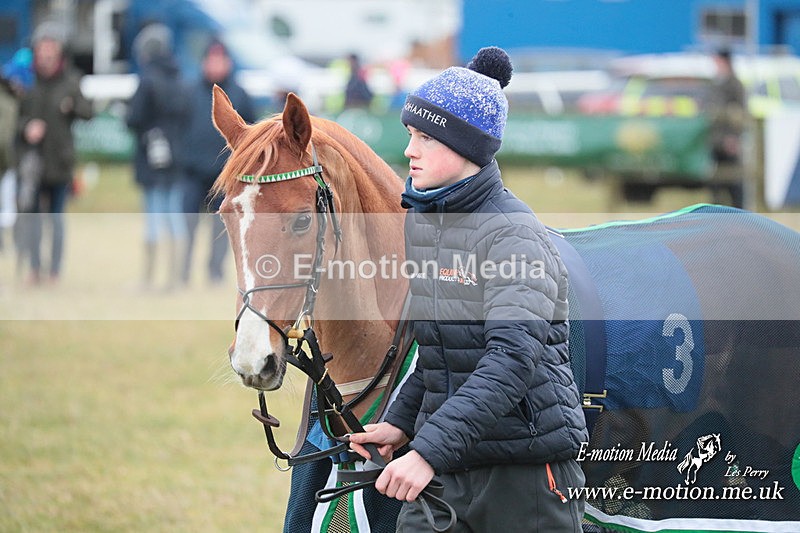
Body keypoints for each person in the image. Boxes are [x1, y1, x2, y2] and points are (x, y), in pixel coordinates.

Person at [349, 47, 588, 532]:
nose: (410, 151)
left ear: (467, 148)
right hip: (448, 461)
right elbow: (440, 349)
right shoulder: (423, 222)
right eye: (410, 135)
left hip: (524, 472)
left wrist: (426, 453)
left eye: (425, 137)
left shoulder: (513, 234)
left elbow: (510, 361)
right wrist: (401, 421)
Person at [17, 22, 92, 285]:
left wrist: (72, 106)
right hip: (33, 162)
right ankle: (34, 268)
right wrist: (27, 128)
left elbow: (88, 112)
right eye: (43, 47)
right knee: (33, 219)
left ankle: (55, 272)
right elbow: (13, 118)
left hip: (60, 161)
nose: (47, 52)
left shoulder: (71, 79)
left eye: (51, 47)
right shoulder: (26, 80)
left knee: (57, 220)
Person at [181, 39, 255, 286]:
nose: (215, 65)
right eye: (211, 60)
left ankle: (214, 272)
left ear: (228, 63)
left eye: (219, 60)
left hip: (224, 175)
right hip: (192, 173)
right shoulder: (190, 92)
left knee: (220, 228)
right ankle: (183, 271)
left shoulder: (240, 95)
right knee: (187, 225)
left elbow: (251, 134)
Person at [126, 23, 190, 290]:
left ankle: (149, 279)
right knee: (174, 215)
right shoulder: (180, 80)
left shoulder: (147, 81)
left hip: (150, 157)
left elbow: (134, 118)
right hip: (175, 157)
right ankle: (175, 279)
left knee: (153, 215)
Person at [707, 48, 747, 208]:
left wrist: (734, 137)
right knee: (715, 182)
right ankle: (717, 214)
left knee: (734, 181)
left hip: (729, 140)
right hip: (716, 139)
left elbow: (740, 113)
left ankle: (739, 213)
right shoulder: (716, 83)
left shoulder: (735, 85)